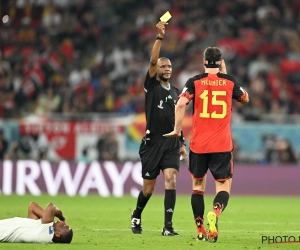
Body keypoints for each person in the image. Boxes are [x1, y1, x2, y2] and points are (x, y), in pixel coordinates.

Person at [164, 46, 249, 242]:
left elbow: (180, 104)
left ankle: (200, 228)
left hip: (198, 145)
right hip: (222, 145)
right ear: (220, 62)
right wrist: (225, 75)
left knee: (197, 187)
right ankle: (215, 214)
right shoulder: (230, 82)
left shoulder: (194, 82)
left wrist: (177, 131)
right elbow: (245, 99)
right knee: (223, 187)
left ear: (204, 62)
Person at [131, 21, 187, 236]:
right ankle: (136, 215)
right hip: (152, 143)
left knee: (171, 181)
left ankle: (168, 227)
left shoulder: (176, 92)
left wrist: (181, 143)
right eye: (164, 66)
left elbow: (177, 119)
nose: (167, 69)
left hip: (171, 143)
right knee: (149, 189)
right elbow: (153, 60)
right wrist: (160, 37)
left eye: (170, 67)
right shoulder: (151, 86)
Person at [0, 201, 73, 243]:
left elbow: (51, 206)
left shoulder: (47, 235)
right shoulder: (40, 229)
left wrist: (62, 217)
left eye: (63, 226)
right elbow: (32, 207)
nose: (62, 222)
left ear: (57, 234)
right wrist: (47, 217)